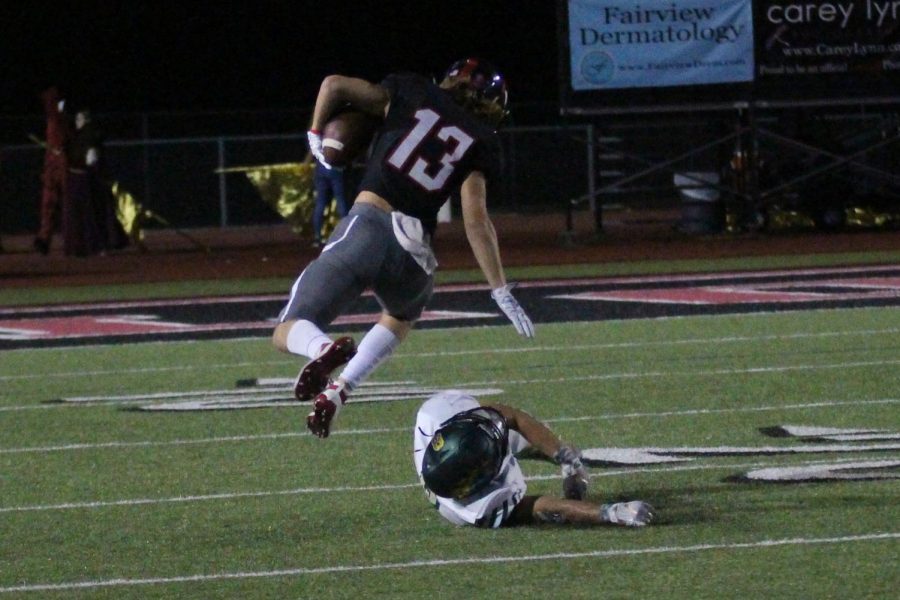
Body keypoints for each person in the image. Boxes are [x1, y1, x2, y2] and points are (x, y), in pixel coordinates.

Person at [272, 58, 535, 438]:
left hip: (369, 224)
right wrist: (499, 289)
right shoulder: (481, 140)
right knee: (399, 316)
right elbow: (476, 222)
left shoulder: (412, 90)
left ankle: (322, 350)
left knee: (288, 328)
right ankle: (340, 390)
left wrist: (315, 133)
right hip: (415, 253)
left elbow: (333, 84)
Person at [413, 390, 656, 528]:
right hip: (468, 501)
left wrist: (565, 458)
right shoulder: (477, 506)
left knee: (545, 441)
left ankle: (570, 462)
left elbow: (510, 416)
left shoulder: (437, 413)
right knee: (519, 512)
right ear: (488, 473)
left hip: (467, 453)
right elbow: (539, 508)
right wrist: (609, 512)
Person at [63, 108, 128, 256]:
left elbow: (92, 160)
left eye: (79, 120)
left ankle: (98, 245)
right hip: (81, 180)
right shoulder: (79, 137)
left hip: (89, 182)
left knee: (94, 214)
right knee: (85, 215)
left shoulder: (90, 137)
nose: (77, 123)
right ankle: (86, 246)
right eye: (76, 120)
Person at [34, 86, 70, 255]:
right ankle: (45, 238)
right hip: (54, 163)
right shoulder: (55, 118)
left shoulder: (59, 117)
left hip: (61, 162)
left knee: (61, 203)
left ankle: (66, 238)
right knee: (50, 204)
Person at [311, 157, 350, 248]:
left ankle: (317, 237)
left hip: (320, 167)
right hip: (335, 167)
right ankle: (347, 234)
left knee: (320, 202)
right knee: (341, 200)